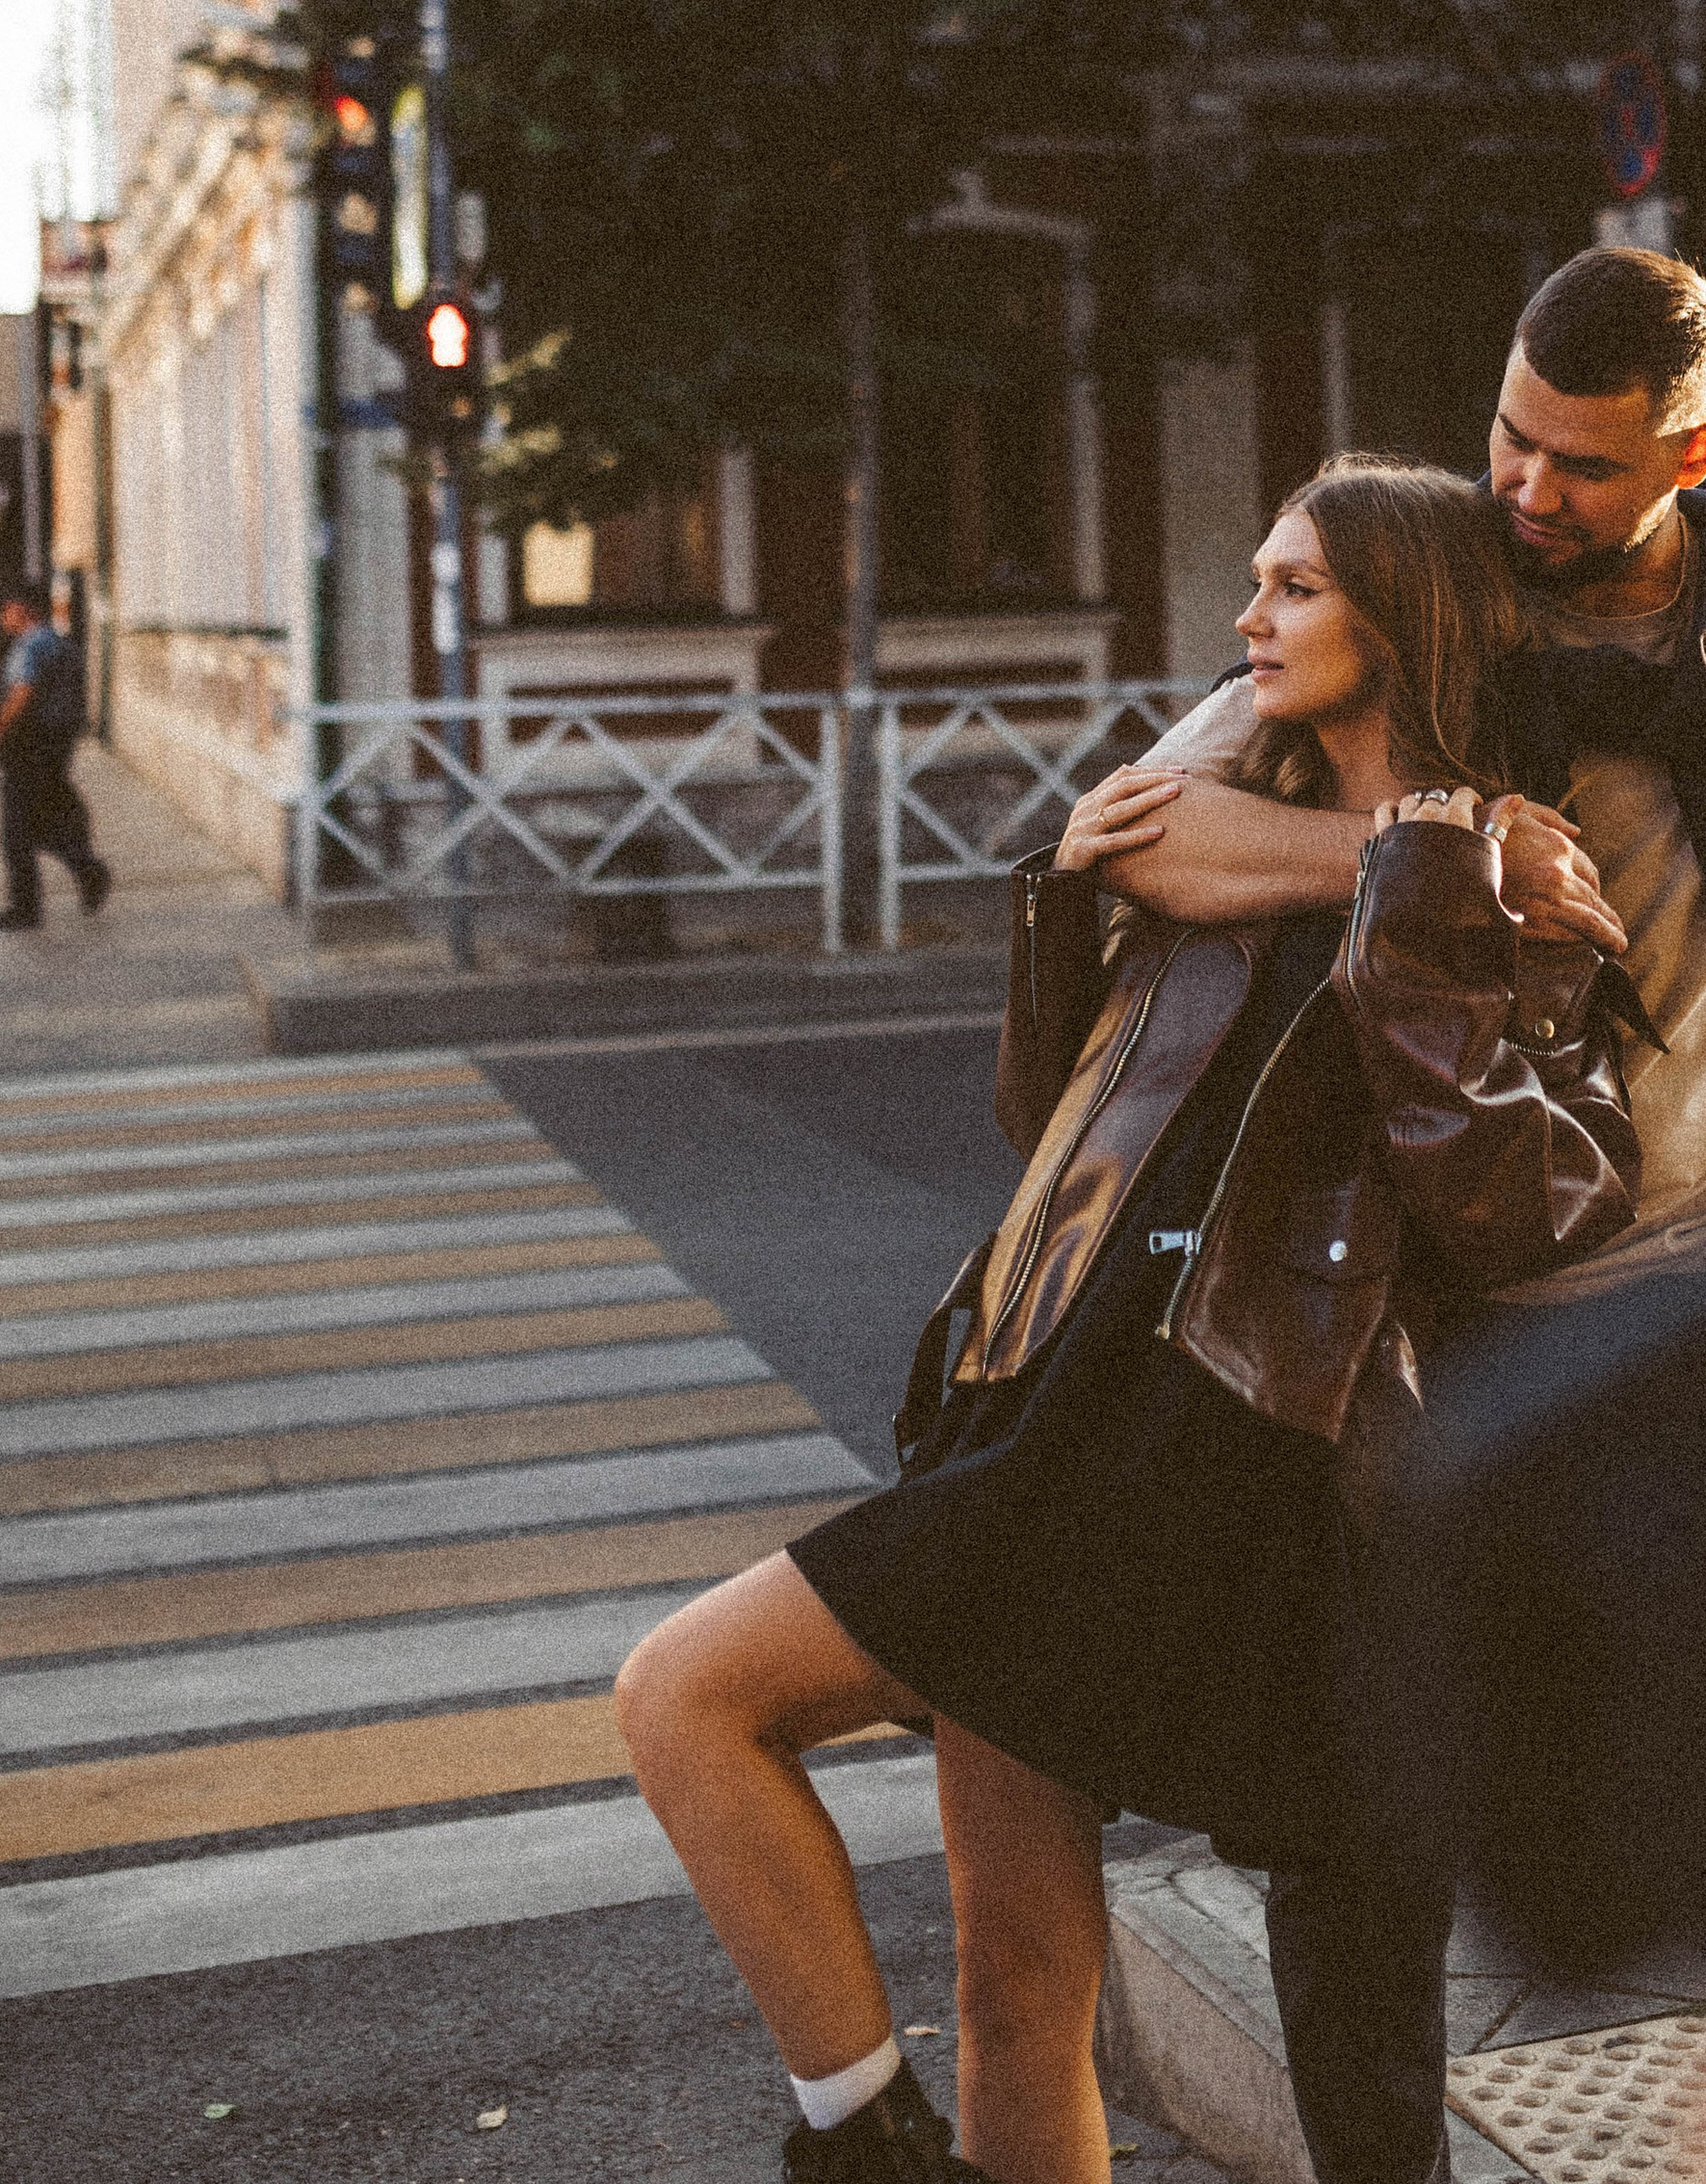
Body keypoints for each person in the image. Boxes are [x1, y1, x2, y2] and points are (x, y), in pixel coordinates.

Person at [614, 459, 1645, 2184]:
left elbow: (1514, 1204)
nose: (1250, 618)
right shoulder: (1207, 828)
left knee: (686, 1693)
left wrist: (1424, 889)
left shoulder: (1503, 889)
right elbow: (1053, 1123)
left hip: (1236, 1460)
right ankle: (874, 2136)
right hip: (1050, 1413)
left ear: (1404, 616)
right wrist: (1074, 905)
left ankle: (860, 2151)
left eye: (1297, 587)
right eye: (1258, 579)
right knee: (1014, 1984)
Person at [1095, 243, 1706, 2184]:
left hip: (1667, 1285)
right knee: (1360, 1803)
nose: (1527, 490)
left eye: (1581, 465)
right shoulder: (1428, 582)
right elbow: (1140, 832)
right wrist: (1427, 845)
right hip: (1409, 1299)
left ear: (1690, 455)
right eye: (1510, 439)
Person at [0, 584, 107, 934]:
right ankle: (88, 871)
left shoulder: (32, 645)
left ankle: (26, 908)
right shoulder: (60, 643)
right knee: (37, 824)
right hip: (54, 746)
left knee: (15, 830)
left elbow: (22, 693)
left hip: (31, 746)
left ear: (23, 609)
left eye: (7, 610)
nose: (3, 617)